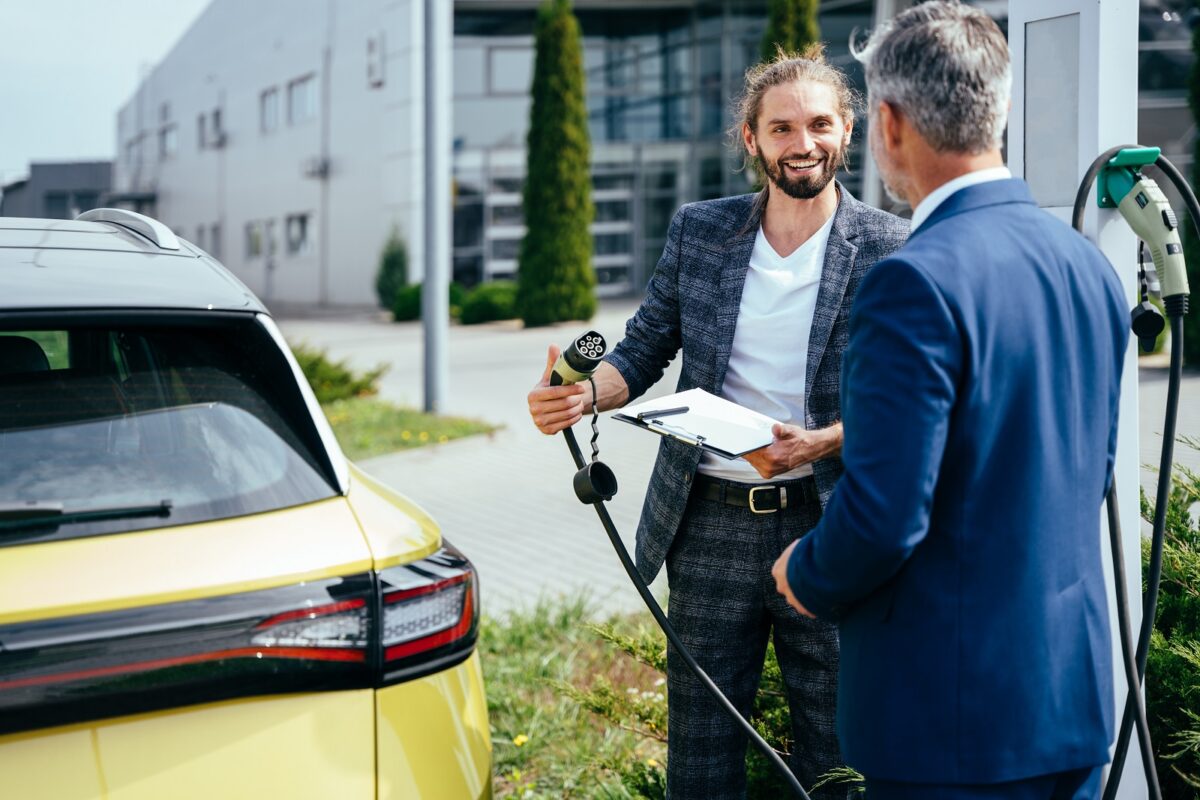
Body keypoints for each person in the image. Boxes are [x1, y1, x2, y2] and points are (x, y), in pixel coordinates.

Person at [527, 46, 907, 799]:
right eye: (782, 128)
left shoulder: (892, 247)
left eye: (820, 124)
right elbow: (644, 347)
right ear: (751, 138)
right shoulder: (701, 232)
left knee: (841, 751)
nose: (803, 143)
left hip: (830, 520)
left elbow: (910, 399)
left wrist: (830, 441)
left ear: (848, 129)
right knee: (700, 754)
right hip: (708, 525)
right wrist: (582, 395)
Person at [772, 4, 1129, 798]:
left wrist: (807, 571)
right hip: (1067, 705)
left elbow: (885, 514)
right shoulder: (1085, 264)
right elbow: (1088, 473)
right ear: (999, 109)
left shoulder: (912, 281)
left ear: (889, 124)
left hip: (949, 722)